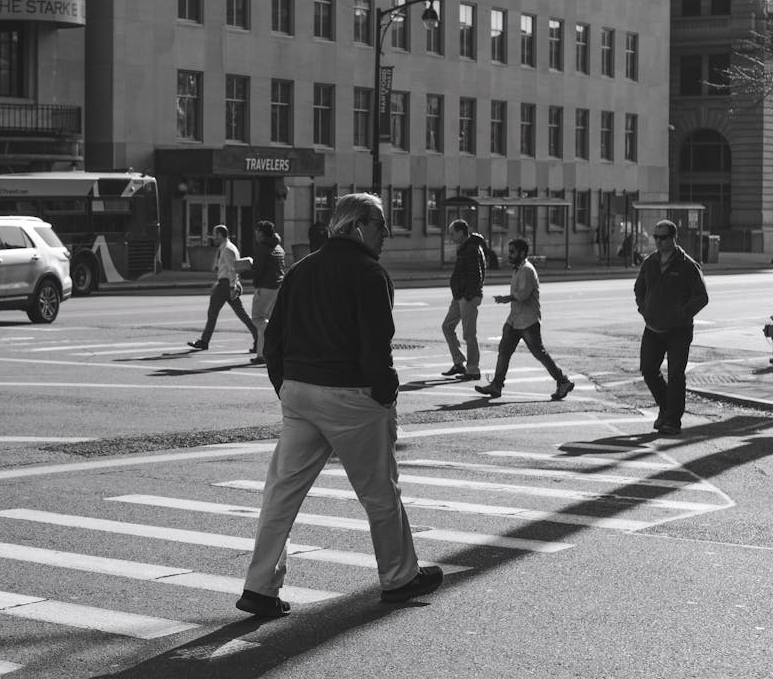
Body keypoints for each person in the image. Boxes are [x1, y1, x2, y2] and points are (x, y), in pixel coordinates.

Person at [235, 192, 443, 618]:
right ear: (356, 226)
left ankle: (259, 588)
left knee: (282, 494)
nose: (386, 233)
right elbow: (376, 346)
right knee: (379, 492)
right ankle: (400, 577)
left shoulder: (301, 270)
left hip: (299, 392)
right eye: (380, 224)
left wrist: (284, 384)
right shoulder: (371, 273)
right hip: (351, 395)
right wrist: (385, 393)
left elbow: (274, 338)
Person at [474, 238, 576, 401]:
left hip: (528, 321)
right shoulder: (518, 269)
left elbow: (523, 295)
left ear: (522, 253)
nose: (510, 255)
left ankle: (563, 381)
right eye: (510, 251)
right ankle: (496, 385)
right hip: (514, 320)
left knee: (539, 354)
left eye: (513, 252)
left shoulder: (527, 270)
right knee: (504, 352)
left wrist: (506, 298)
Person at [634, 219, 709, 436]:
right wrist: (644, 308)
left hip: (679, 329)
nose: (658, 241)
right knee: (648, 370)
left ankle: (672, 421)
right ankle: (666, 408)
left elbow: (701, 297)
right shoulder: (650, 262)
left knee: (676, 374)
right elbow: (639, 288)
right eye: (655, 237)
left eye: (663, 237)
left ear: (673, 238)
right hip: (653, 327)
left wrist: (682, 313)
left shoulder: (687, 265)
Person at [187, 225, 258, 351]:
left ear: (220, 235)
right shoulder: (229, 247)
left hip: (226, 285)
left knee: (213, 313)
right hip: (226, 284)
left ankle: (204, 341)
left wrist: (231, 286)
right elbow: (230, 270)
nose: (213, 237)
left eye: (215, 234)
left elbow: (232, 269)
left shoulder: (227, 250)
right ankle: (258, 338)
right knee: (242, 314)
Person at [441, 219, 486, 380]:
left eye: (453, 233)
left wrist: (467, 295)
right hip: (460, 296)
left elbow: (477, 275)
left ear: (461, 232)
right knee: (447, 326)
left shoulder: (472, 249)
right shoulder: (466, 248)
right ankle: (459, 362)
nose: (451, 236)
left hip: (467, 296)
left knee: (469, 334)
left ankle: (473, 370)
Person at [248, 220, 286, 366]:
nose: (255, 235)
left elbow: (258, 270)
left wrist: (243, 271)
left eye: (257, 232)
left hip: (264, 287)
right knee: (267, 319)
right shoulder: (278, 247)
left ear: (262, 233)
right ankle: (267, 352)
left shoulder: (262, 248)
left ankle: (262, 353)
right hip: (277, 287)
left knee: (259, 320)